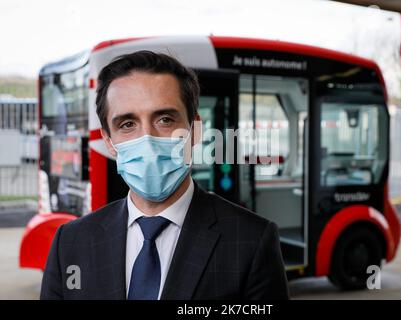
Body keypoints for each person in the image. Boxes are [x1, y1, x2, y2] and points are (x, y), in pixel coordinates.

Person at [40, 50, 289, 300]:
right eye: (127, 124)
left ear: (195, 130)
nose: (147, 140)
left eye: (165, 120)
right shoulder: (70, 243)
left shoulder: (252, 241)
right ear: (108, 141)